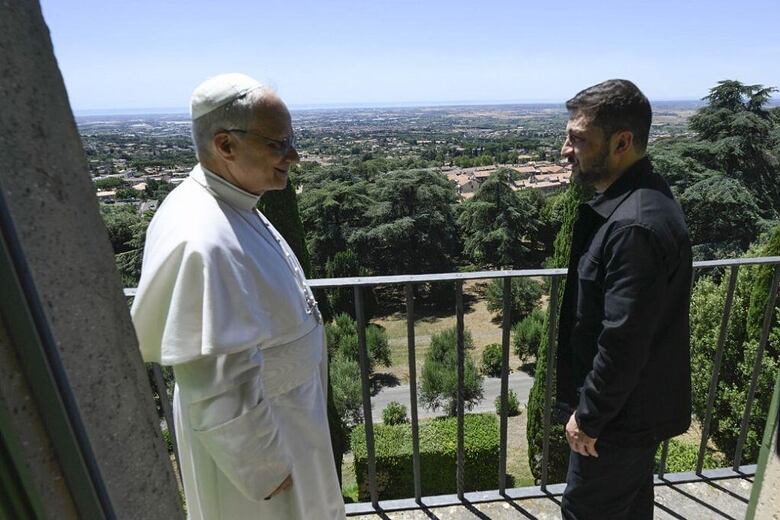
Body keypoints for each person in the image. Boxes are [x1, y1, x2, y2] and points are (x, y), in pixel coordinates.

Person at [131, 73, 345, 519]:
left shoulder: (233, 204)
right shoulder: (201, 236)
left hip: (285, 420)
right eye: (278, 143)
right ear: (225, 145)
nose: (294, 155)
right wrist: (263, 466)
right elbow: (213, 374)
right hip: (261, 444)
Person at [554, 79, 692, 519]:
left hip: (615, 424)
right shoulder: (642, 202)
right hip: (631, 415)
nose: (565, 149)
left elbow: (623, 340)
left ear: (622, 142)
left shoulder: (633, 226)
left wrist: (589, 417)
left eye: (577, 138)